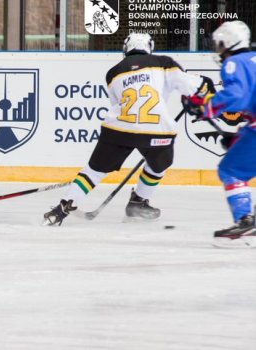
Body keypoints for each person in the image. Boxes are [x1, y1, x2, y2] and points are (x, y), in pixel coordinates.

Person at [43, 32, 210, 226]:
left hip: (119, 129)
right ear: (150, 47)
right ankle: (138, 201)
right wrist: (208, 85)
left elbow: (117, 103)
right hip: (157, 132)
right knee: (159, 165)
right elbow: (191, 86)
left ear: (126, 49)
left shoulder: (113, 72)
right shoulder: (164, 62)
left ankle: (61, 209)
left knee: (93, 172)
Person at [183, 20, 255, 247]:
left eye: (220, 45)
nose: (219, 50)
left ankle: (245, 223)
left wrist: (206, 107)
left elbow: (237, 95)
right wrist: (239, 138)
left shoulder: (235, 62)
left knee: (231, 170)